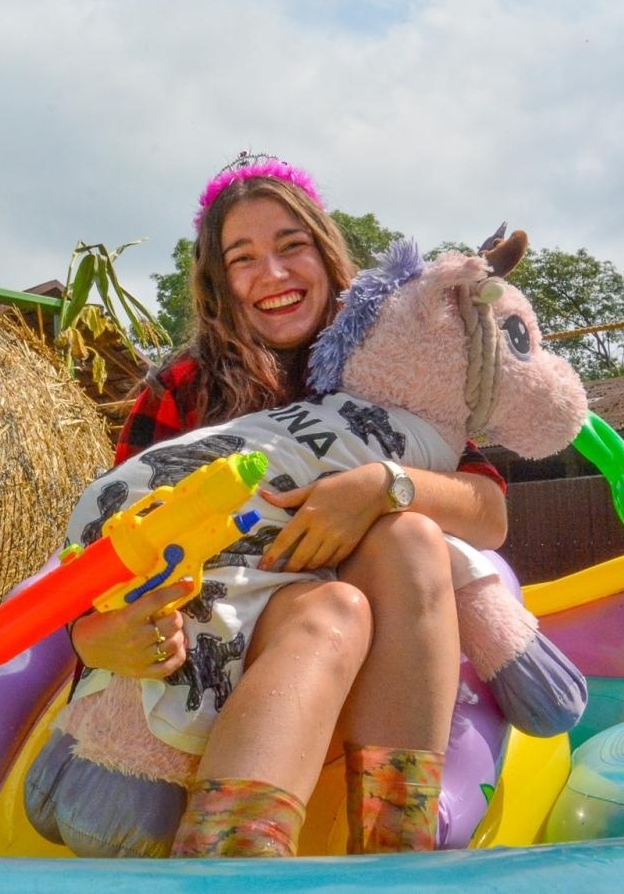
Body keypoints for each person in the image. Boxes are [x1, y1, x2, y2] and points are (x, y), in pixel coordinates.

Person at [41, 154, 508, 858]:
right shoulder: (187, 386)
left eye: (293, 247)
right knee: (331, 611)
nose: (275, 275)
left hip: (376, 645)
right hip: (223, 628)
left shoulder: (394, 373)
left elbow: (488, 511)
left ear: (327, 253)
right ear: (219, 283)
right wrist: (90, 635)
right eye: (244, 258)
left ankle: (396, 848)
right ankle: (230, 861)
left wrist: (380, 486)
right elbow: (112, 531)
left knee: (408, 539)